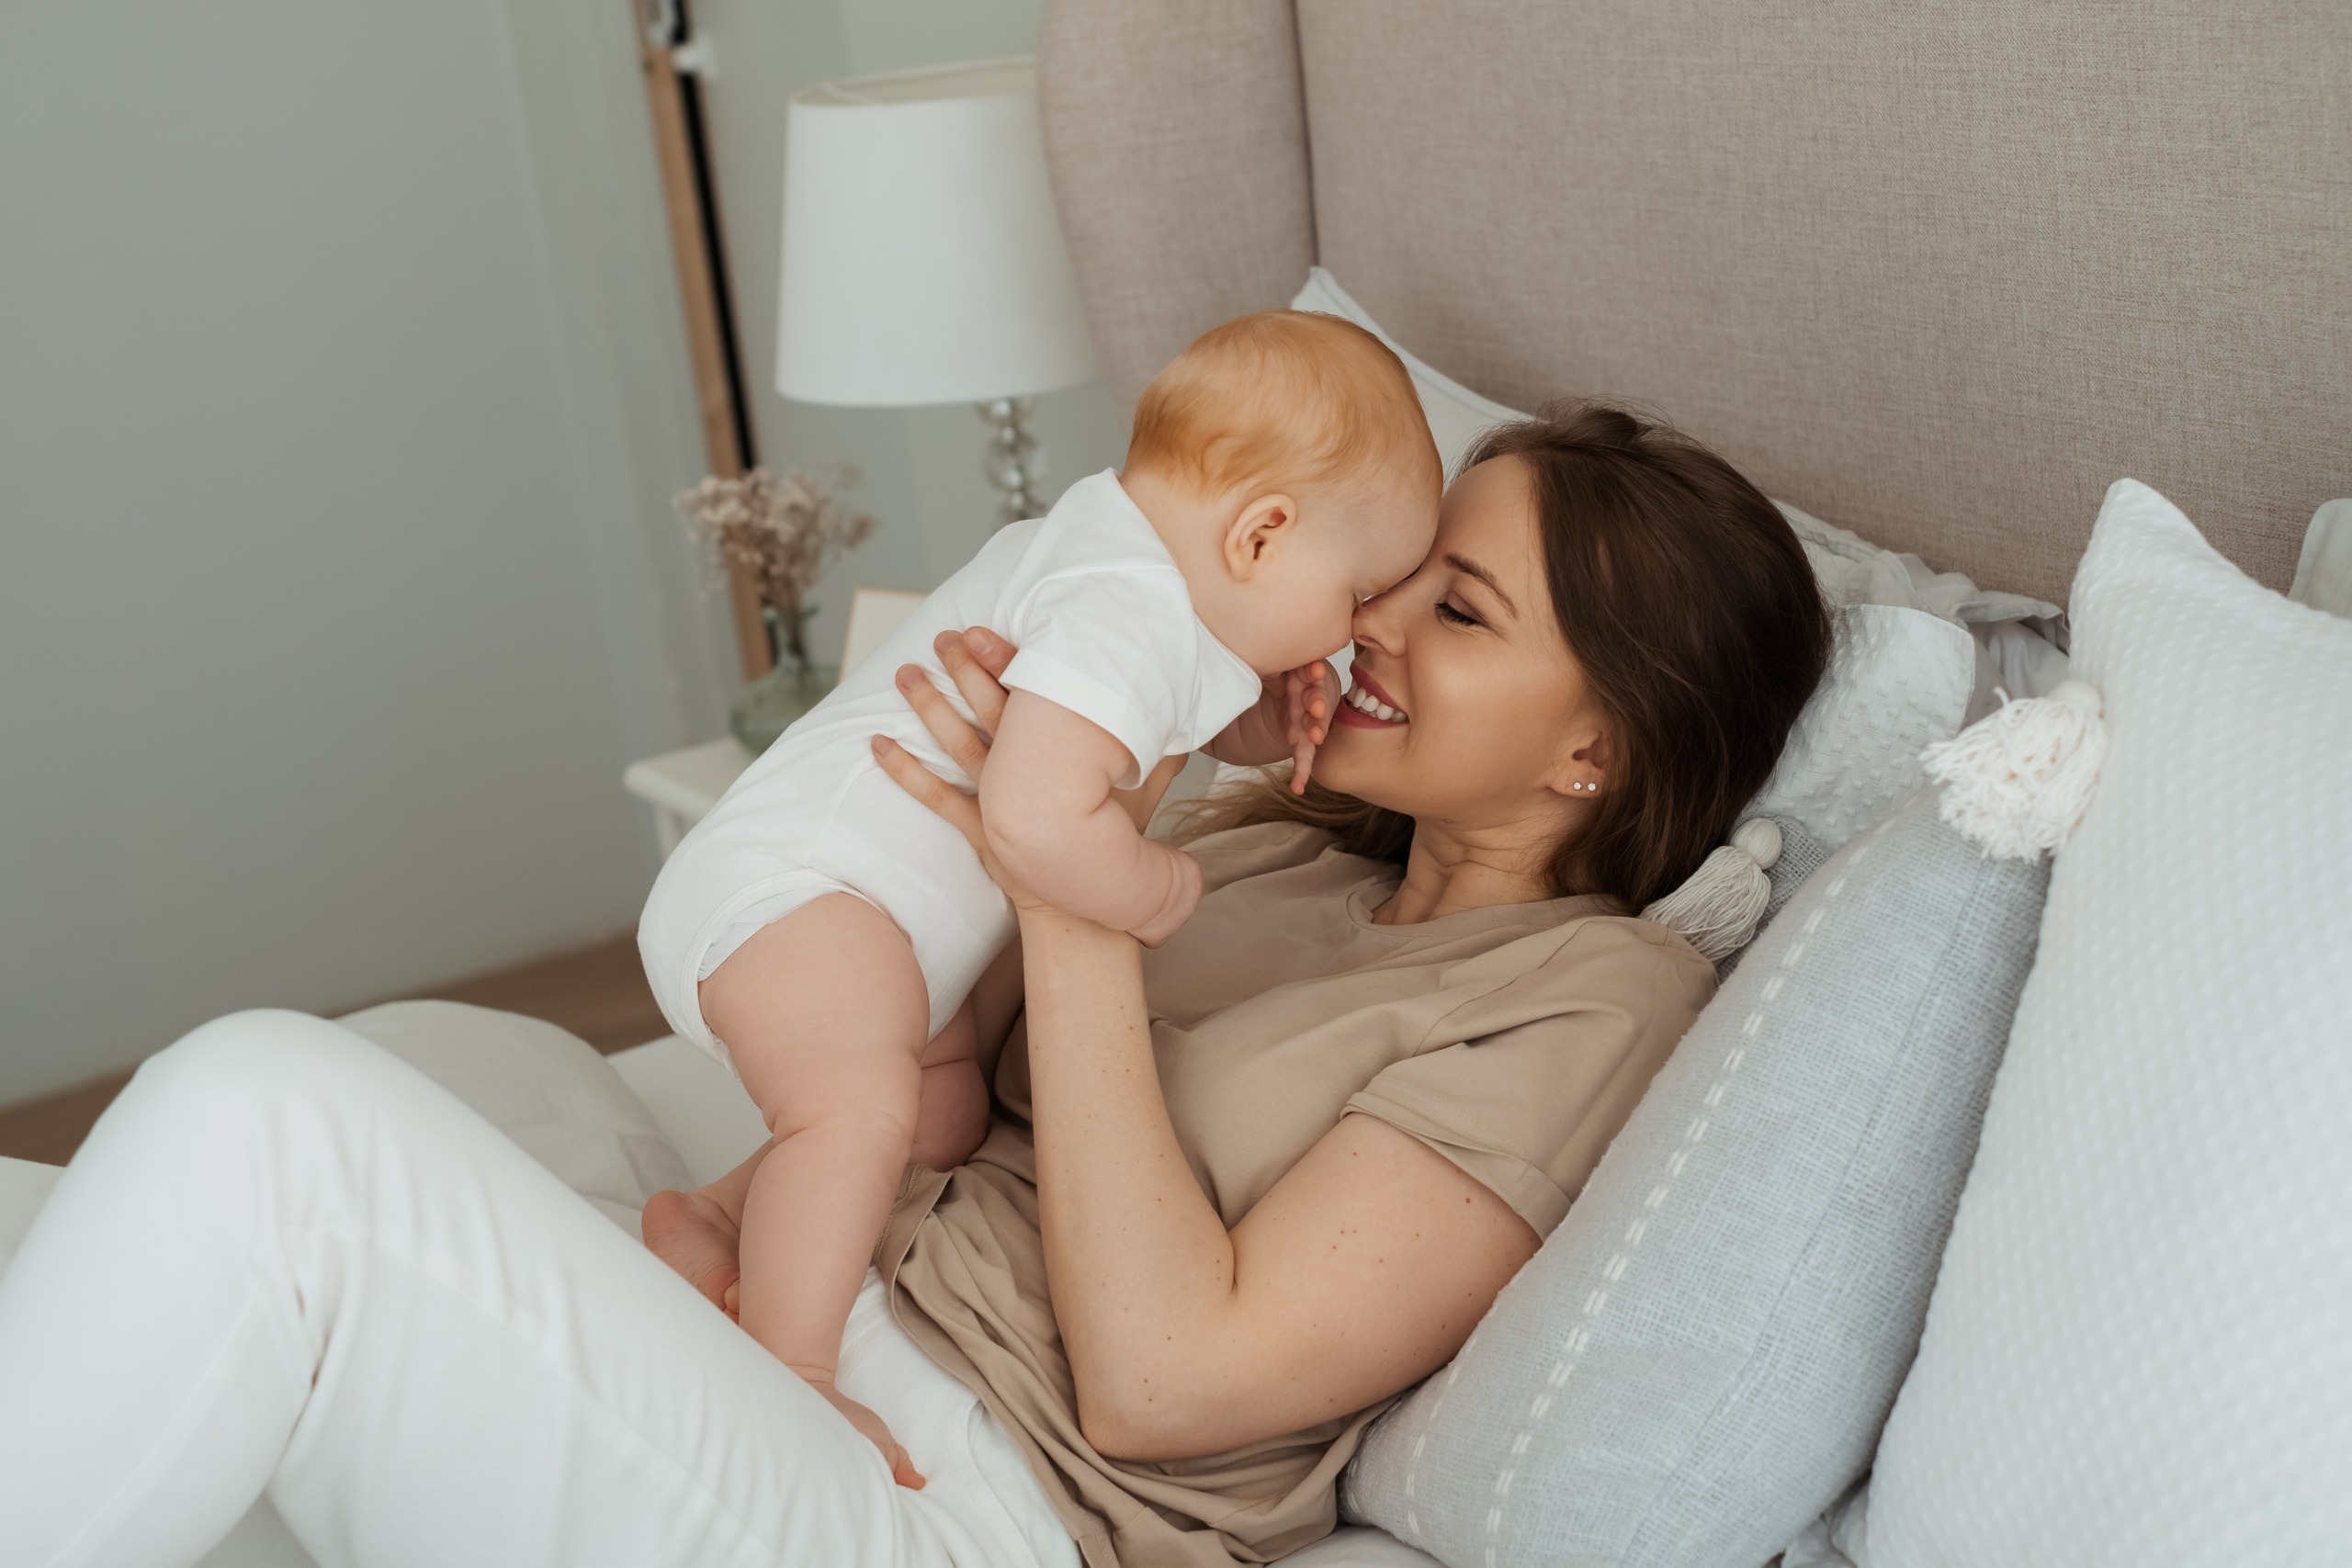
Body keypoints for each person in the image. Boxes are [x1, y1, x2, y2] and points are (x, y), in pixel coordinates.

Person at [0, 404, 1830, 1568]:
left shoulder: (1593, 997)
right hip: (833, 1299)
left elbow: (1163, 1380)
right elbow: (953, 1061)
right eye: (1397, 576)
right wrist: (972, 833)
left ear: (1594, 750)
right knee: (434, 1056)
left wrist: (1065, 891)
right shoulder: (1272, 837)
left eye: (1458, 609)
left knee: (268, 1121)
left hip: (974, 1490)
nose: (1365, 626)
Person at [634, 310, 1441, 1472]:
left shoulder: (1130, 576)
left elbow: (1140, 725)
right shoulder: (1125, 603)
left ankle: (710, 1216)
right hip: (804, 895)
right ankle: (794, 1375)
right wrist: (1151, 884)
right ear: (1263, 533)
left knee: (939, 1114)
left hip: (853, 918)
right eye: (1357, 589)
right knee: (852, 1112)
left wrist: (1261, 719)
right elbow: (1033, 816)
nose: (1360, 631)